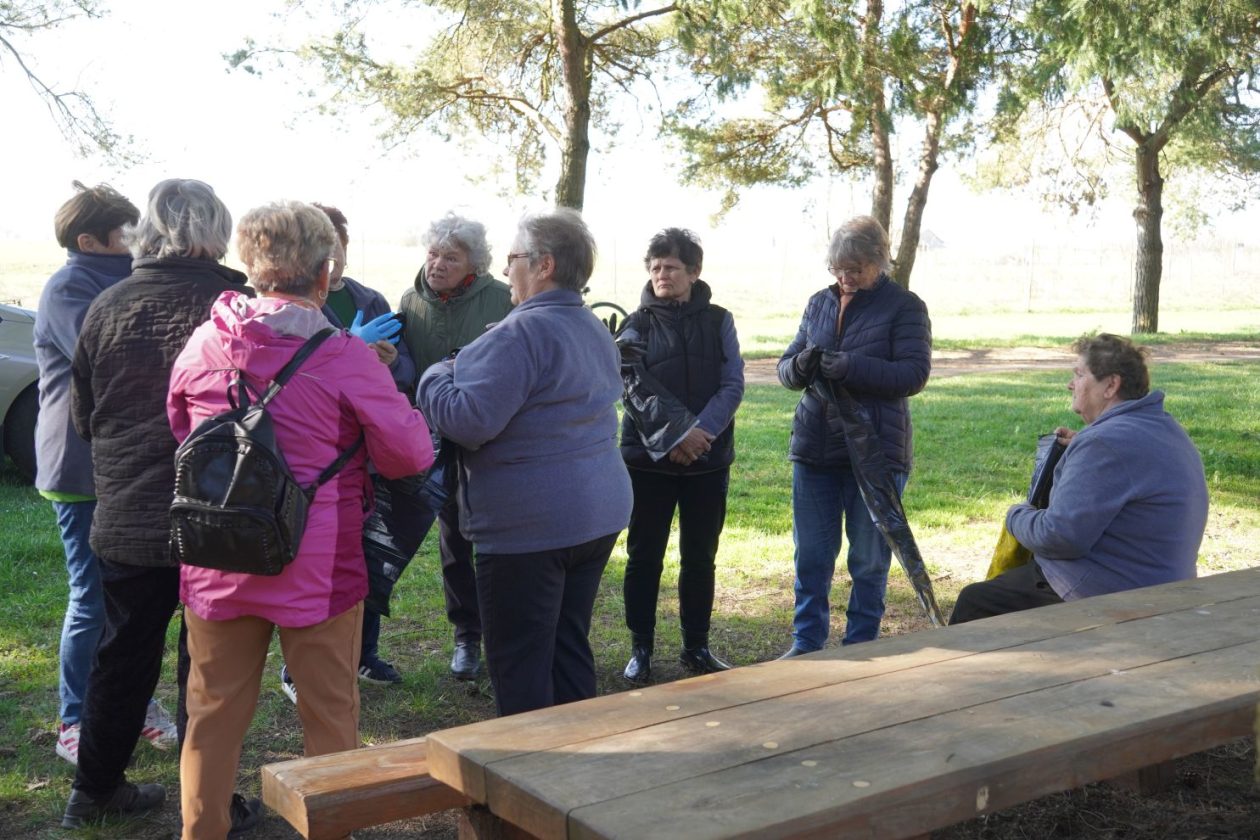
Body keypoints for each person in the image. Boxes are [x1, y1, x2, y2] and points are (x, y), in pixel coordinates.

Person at [168, 200, 434, 839]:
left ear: (250, 266)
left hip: (219, 552)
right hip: (319, 561)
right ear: (324, 273)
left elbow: (182, 430)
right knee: (330, 714)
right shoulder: (343, 356)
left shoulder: (205, 342)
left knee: (211, 714)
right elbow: (411, 455)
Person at [63, 179, 256, 830]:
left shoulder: (108, 303)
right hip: (218, 514)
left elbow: (84, 416)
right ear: (217, 232)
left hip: (128, 512)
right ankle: (211, 800)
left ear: (151, 230)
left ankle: (93, 789)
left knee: (123, 654)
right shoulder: (236, 308)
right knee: (210, 664)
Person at [416, 208, 632, 716]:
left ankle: (530, 780)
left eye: (513, 258)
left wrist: (435, 374)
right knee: (566, 644)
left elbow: (469, 421)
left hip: (530, 530)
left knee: (519, 664)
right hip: (595, 514)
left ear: (544, 265)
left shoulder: (519, 335)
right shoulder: (591, 326)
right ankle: (582, 767)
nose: (507, 269)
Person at [33, 182, 180, 765]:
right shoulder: (70, 287)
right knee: (93, 596)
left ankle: (132, 702)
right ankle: (75, 717)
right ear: (88, 240)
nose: (139, 240)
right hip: (80, 465)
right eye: (126, 233)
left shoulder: (120, 277)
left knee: (135, 597)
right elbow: (108, 354)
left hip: (124, 466)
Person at [949, 333, 1209, 623]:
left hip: (1118, 593)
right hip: (1162, 582)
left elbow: (1060, 538)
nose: (1070, 384)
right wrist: (1083, 451)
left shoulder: (1105, 444)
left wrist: (1015, 515)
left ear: (1111, 385)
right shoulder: (1161, 427)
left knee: (976, 602)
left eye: (1079, 374)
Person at [274, 202, 420, 699]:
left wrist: (390, 360)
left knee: (370, 555)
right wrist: (344, 347)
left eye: (340, 243)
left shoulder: (370, 298)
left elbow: (402, 376)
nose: (333, 255)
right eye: (325, 244)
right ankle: (298, 669)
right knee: (307, 565)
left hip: (365, 456)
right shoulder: (287, 304)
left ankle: (363, 653)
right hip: (312, 463)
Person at [777, 216, 931, 656]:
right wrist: (801, 366)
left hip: (876, 452)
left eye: (855, 269)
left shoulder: (905, 307)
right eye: (838, 269)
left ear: (879, 262)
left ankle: (860, 645)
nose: (845, 278)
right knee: (811, 556)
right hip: (816, 448)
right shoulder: (818, 303)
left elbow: (913, 374)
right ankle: (806, 643)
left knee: (867, 559)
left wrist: (850, 367)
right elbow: (786, 367)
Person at [616, 228, 744, 683]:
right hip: (647, 463)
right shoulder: (636, 323)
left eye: (670, 267)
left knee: (699, 557)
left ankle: (696, 647)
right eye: (654, 267)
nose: (661, 275)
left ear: (693, 271)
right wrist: (677, 436)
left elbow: (733, 384)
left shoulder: (719, 320)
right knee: (644, 556)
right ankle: (641, 648)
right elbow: (631, 385)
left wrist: (701, 433)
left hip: (707, 461)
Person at [399, 213, 513, 681]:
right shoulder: (409, 303)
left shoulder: (503, 300)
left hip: (493, 440)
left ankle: (504, 633)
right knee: (454, 540)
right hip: (436, 443)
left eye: (451, 256)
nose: (438, 264)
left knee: (499, 538)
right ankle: (466, 636)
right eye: (433, 254)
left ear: (474, 263)